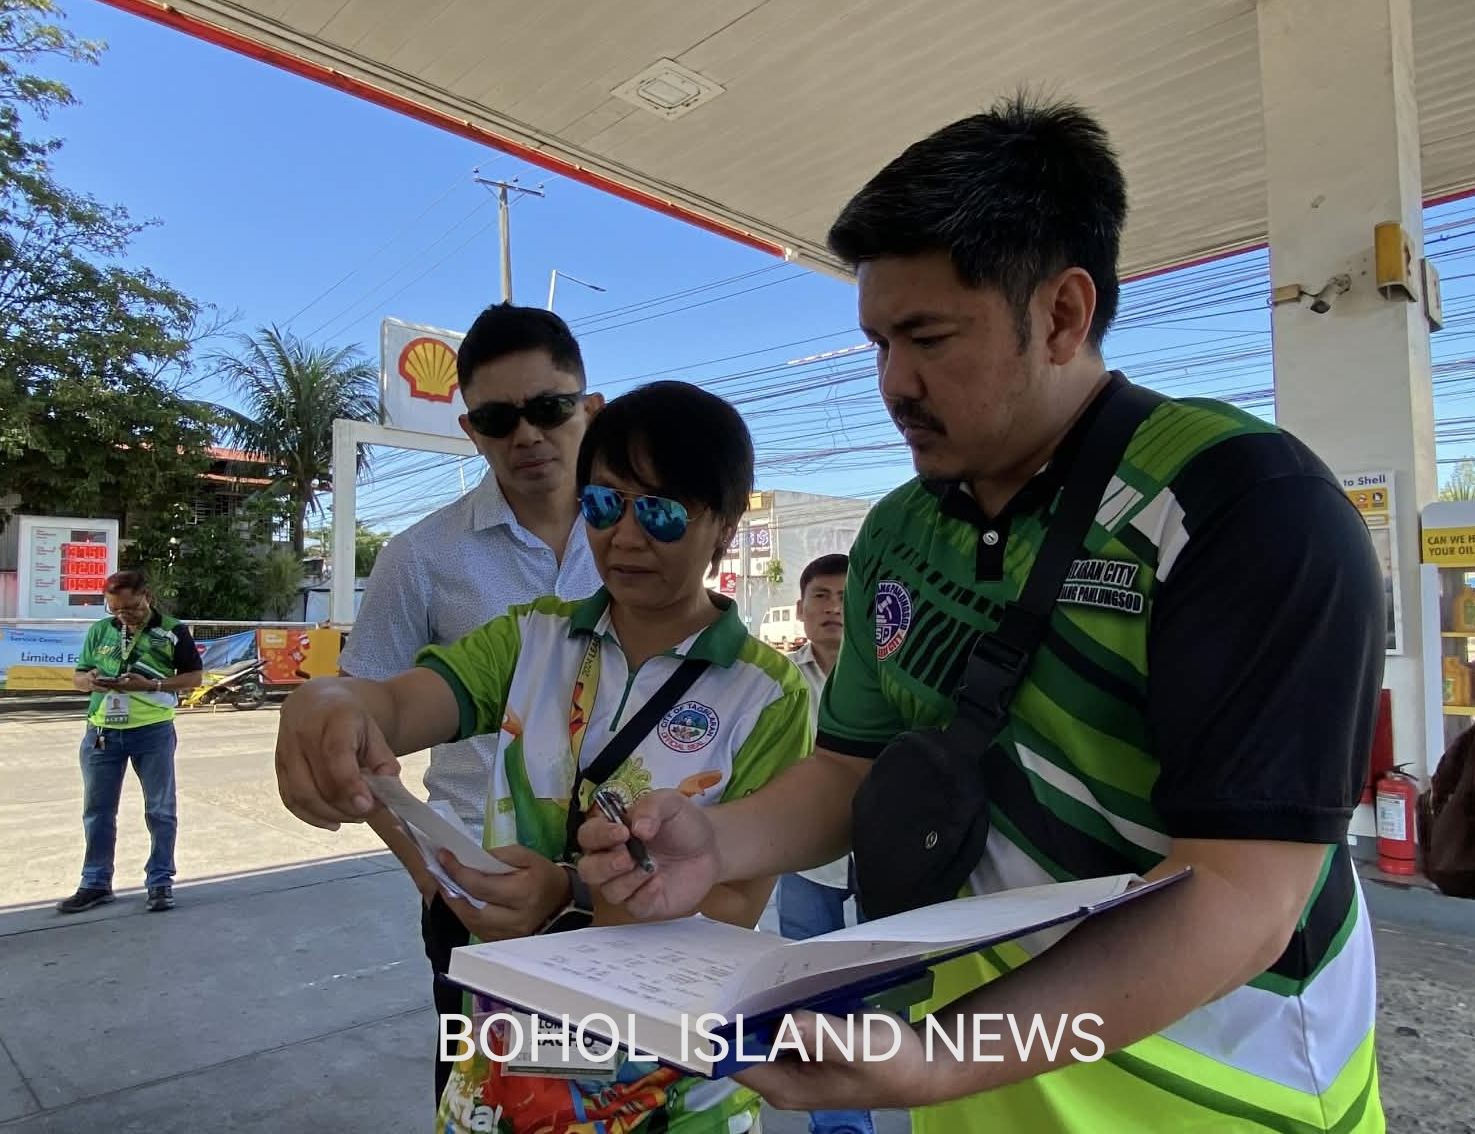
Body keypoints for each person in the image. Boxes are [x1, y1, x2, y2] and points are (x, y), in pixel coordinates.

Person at [574, 97, 1389, 1132]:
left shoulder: (1240, 508)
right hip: (971, 1098)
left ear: (1060, 313)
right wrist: (714, 840)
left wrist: (936, 1057)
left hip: (1218, 1096)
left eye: (926, 337)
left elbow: (1240, 897)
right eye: (876, 342)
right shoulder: (896, 535)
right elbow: (852, 768)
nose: (891, 384)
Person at [275, 381, 813, 1133]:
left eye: (659, 513)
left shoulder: (768, 693)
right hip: (510, 1056)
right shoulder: (534, 637)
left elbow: (731, 904)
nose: (624, 539)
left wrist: (570, 894)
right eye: (602, 505)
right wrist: (332, 703)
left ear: (723, 527)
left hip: (671, 1079)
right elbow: (399, 704)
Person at [333, 302, 604, 1100]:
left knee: (614, 1097)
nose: (526, 436)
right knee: (489, 1102)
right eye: (497, 418)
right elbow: (360, 727)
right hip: (478, 892)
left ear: (589, 409)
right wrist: (434, 879)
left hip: (624, 881)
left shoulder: (640, 539)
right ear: (471, 429)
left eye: (549, 409)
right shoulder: (421, 559)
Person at [772, 553, 874, 1134]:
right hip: (807, 864)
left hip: (886, 864)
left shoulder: (890, 677)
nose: (833, 607)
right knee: (815, 998)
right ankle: (840, 1127)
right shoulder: (781, 681)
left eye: (844, 595)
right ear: (801, 609)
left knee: (887, 1000)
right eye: (821, 596)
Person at [56, 570, 203, 915]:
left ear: (146, 597)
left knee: (160, 810)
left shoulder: (172, 631)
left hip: (152, 730)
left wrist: (151, 686)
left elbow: (195, 677)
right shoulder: (100, 631)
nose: (125, 616)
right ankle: (95, 883)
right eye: (117, 610)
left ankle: (160, 882)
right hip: (101, 732)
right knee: (97, 812)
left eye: (132, 609)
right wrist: (89, 681)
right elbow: (78, 675)